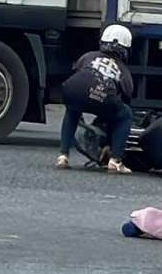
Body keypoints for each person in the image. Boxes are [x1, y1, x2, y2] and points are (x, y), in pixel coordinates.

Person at [56, 24, 135, 174]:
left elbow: (77, 70)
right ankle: (115, 160)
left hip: (72, 88)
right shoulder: (123, 70)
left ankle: (63, 155)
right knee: (124, 115)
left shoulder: (89, 55)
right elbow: (127, 95)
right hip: (102, 95)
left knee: (72, 111)